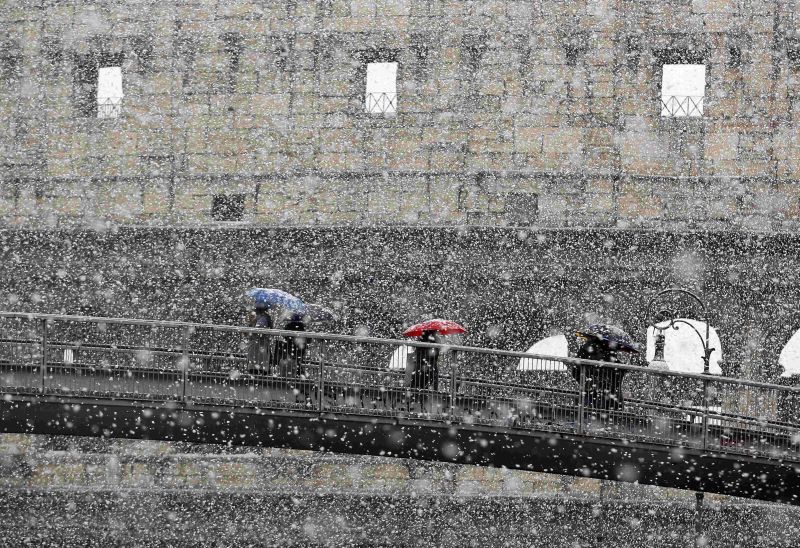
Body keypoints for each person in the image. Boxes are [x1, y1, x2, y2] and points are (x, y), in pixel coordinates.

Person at [572, 334, 628, 413]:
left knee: (587, 413)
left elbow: (575, 370)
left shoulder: (586, 349)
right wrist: (622, 368)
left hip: (591, 390)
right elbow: (614, 375)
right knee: (607, 414)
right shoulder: (608, 350)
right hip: (605, 393)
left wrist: (586, 382)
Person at [247, 307, 272, 374]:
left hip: (258, 348)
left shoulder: (262, 318)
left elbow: (258, 331)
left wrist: (252, 325)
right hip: (260, 348)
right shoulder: (265, 317)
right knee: (260, 368)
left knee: (255, 369)